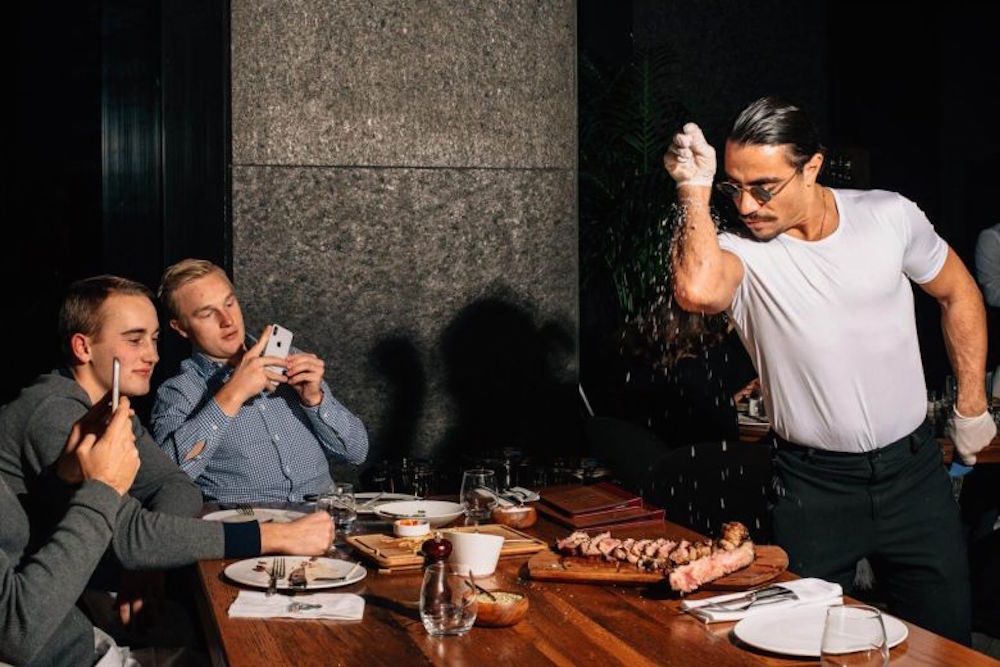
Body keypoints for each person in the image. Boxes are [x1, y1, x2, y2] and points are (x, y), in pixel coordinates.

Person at [664, 96, 996, 645]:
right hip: (810, 487)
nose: (746, 205)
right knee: (800, 650)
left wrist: (971, 404)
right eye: (735, 187)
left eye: (764, 187)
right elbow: (697, 290)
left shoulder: (888, 215)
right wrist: (696, 189)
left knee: (946, 647)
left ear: (812, 166)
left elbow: (959, 293)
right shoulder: (744, 253)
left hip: (914, 478)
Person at [0, 275, 334, 645]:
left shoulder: (110, 408)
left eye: (154, 339)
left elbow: (175, 484)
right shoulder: (52, 413)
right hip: (45, 622)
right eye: (134, 339)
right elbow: (131, 536)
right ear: (83, 347)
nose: (152, 355)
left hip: (76, 602)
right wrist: (275, 537)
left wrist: (148, 558)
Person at [151, 259, 368, 504]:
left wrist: (315, 401)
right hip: (254, 530)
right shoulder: (179, 391)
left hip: (323, 520)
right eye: (207, 313)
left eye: (229, 303)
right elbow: (164, 480)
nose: (227, 320)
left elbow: (357, 453)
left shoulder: (287, 357)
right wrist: (232, 395)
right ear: (180, 328)